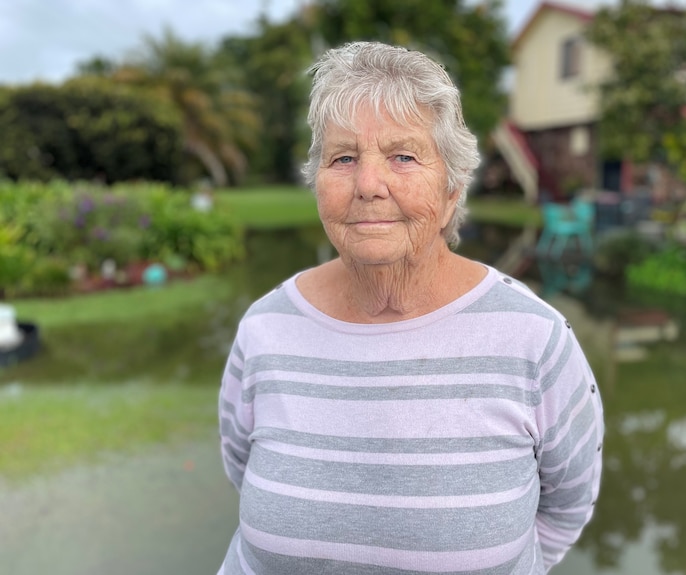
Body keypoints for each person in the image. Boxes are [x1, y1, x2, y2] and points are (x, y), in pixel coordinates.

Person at [217, 41, 604, 574]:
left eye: (403, 156)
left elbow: (567, 505)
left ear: (452, 189)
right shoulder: (266, 327)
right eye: (344, 157)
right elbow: (241, 467)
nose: (368, 186)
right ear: (317, 181)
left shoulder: (534, 338)